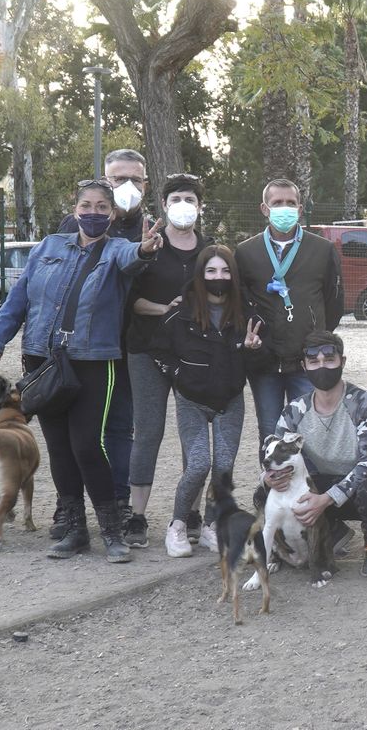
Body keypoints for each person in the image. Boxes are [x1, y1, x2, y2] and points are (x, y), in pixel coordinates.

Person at [0, 179, 163, 562]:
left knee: (87, 445)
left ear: (113, 214)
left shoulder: (117, 249)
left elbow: (134, 257)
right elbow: (18, 300)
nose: (93, 213)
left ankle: (111, 532)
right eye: (86, 206)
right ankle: (75, 530)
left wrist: (145, 249)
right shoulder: (48, 246)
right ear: (74, 209)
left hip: (93, 361)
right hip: (43, 361)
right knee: (59, 448)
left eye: (102, 207)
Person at [53, 148, 148, 543]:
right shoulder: (73, 224)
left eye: (135, 179)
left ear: (145, 185)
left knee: (120, 427)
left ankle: (119, 501)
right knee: (73, 431)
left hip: (129, 346)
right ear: (104, 181)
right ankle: (69, 505)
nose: (127, 186)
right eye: (118, 179)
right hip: (80, 349)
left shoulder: (152, 229)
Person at [151, 244, 264, 557]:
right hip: (191, 399)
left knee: (224, 466)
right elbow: (158, 350)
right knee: (199, 463)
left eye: (225, 270)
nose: (219, 277)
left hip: (230, 399)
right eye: (211, 271)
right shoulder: (181, 312)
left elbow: (260, 356)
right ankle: (177, 524)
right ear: (201, 274)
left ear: (234, 274)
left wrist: (253, 349)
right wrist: (179, 374)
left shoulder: (247, 313)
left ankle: (211, 526)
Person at [260, 330, 367, 577]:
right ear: (304, 366)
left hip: (363, 485)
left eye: (329, 359)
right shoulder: (295, 410)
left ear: (342, 362)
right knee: (263, 493)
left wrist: (326, 499)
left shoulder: (363, 402)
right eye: (313, 361)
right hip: (320, 485)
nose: (322, 366)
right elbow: (276, 454)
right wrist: (268, 479)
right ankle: (331, 531)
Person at [123, 173, 212, 549]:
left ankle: (191, 513)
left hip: (193, 355)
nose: (183, 205)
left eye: (190, 199)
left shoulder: (209, 251)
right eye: (176, 199)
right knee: (148, 431)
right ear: (163, 204)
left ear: (200, 206)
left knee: (194, 435)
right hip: (146, 350)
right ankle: (137, 516)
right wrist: (166, 309)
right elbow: (131, 301)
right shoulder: (149, 247)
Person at [236, 179, 345, 446]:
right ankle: (273, 476)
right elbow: (241, 301)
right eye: (277, 203)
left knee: (309, 433)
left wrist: (316, 335)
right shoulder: (246, 252)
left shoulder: (322, 250)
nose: (284, 208)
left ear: (300, 209)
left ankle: (310, 478)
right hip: (265, 361)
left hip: (307, 360)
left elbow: (334, 301)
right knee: (270, 433)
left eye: (290, 203)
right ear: (264, 208)